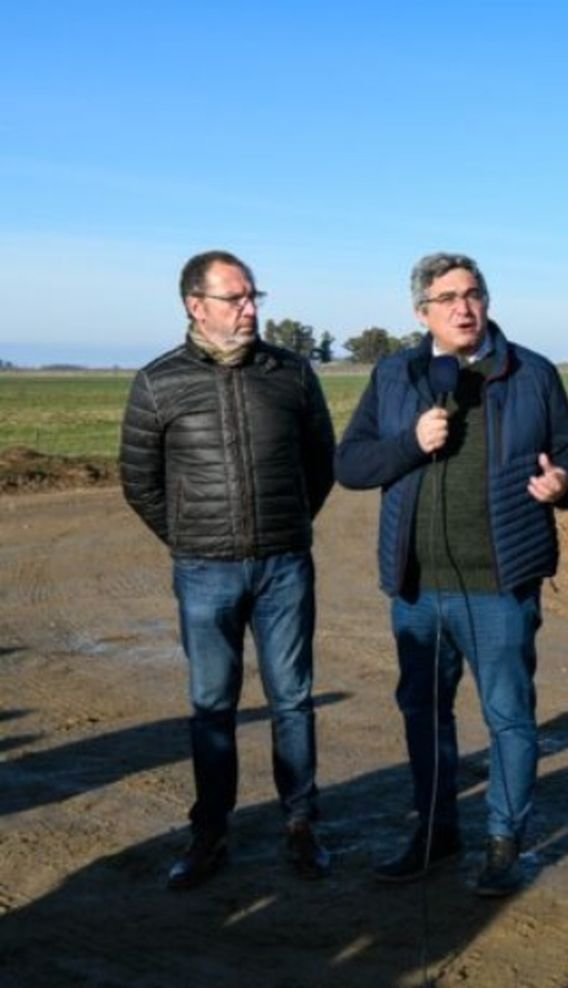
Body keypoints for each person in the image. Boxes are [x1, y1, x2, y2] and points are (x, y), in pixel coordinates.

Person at [334, 253, 568, 896]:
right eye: (447, 297)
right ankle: (434, 832)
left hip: (500, 586)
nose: (464, 307)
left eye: (473, 293)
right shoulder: (395, 374)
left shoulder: (531, 372)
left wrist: (564, 482)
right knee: (424, 715)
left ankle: (503, 840)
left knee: (508, 716)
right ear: (421, 311)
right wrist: (408, 445)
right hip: (418, 590)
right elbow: (350, 464)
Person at [120, 250, 336, 889]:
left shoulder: (291, 373)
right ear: (196, 305)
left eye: (252, 297)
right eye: (236, 298)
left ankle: (301, 826)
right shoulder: (159, 382)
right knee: (212, 705)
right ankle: (210, 833)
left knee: (293, 700)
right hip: (204, 571)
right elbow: (140, 480)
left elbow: (319, 465)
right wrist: (189, 537)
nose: (250, 309)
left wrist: (287, 527)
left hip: (283, 567)